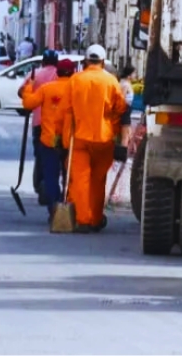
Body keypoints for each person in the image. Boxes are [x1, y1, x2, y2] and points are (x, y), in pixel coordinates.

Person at [65, 44, 127, 232]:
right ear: (102, 61)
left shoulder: (75, 80)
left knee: (80, 179)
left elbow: (67, 110)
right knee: (98, 180)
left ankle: (83, 219)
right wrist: (114, 127)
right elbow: (121, 108)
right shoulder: (111, 81)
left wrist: (65, 138)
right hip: (104, 137)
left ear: (86, 60)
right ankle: (95, 219)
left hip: (79, 138)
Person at [21, 58, 75, 219]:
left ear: (57, 72)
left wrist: (29, 87)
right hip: (70, 141)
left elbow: (28, 104)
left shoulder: (47, 88)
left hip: (49, 140)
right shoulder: (77, 89)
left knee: (51, 177)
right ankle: (70, 209)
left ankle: (55, 209)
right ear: (73, 72)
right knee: (70, 177)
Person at [19, 49, 59, 204]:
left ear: (43, 61)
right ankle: (53, 189)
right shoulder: (60, 74)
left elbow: (21, 92)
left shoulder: (35, 74)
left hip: (38, 121)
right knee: (57, 157)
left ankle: (41, 187)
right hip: (58, 123)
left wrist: (30, 95)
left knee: (41, 156)